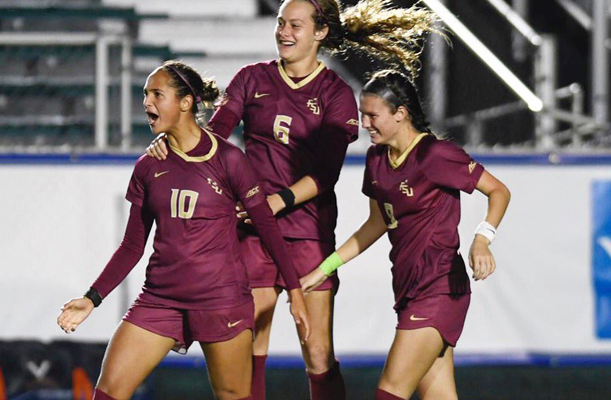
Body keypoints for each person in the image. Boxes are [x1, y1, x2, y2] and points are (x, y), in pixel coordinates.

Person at [146, 2, 439, 399]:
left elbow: (325, 173)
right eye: (280, 22)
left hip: (308, 235)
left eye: (295, 25)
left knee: (317, 353)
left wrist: (275, 202)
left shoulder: (335, 93)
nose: (284, 31)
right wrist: (172, 141)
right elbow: (212, 140)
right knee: (250, 344)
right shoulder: (252, 79)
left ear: (319, 33)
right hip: (252, 232)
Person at [57, 60, 310, 400]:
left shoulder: (230, 160)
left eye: (157, 94)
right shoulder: (148, 165)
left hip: (221, 301)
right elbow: (132, 246)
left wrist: (295, 292)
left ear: (186, 102)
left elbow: (266, 225)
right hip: (161, 299)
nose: (146, 102)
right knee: (108, 393)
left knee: (235, 395)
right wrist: (92, 298)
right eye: (145, 94)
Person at [300, 69, 511, 400]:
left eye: (373, 115)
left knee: (390, 392)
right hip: (409, 290)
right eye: (362, 115)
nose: (365, 124)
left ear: (401, 113)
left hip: (440, 288)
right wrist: (325, 267)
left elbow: (498, 191)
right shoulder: (376, 159)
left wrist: (482, 238)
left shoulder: (435, 154)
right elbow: (376, 224)